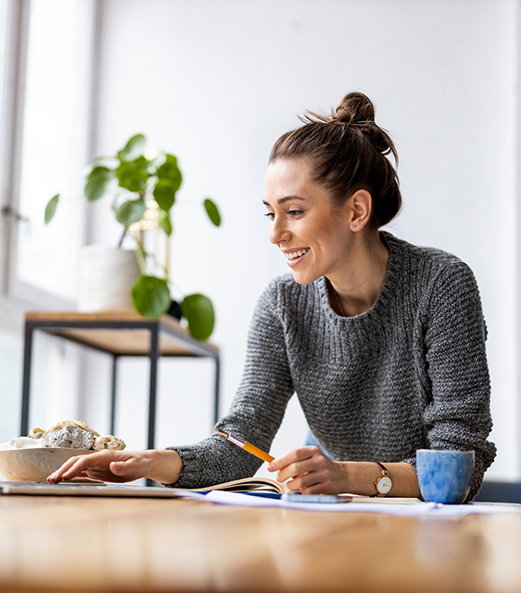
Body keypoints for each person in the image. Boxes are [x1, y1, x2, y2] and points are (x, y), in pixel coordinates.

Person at [48, 92, 496, 499]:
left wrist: (344, 476)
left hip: (428, 530)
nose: (276, 234)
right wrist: (151, 463)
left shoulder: (442, 285)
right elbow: (242, 443)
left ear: (356, 210)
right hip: (335, 516)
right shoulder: (283, 304)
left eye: (294, 212)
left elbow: (459, 466)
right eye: (270, 214)